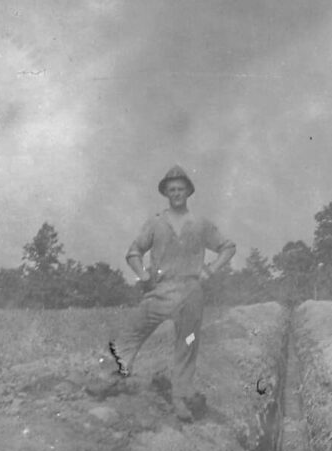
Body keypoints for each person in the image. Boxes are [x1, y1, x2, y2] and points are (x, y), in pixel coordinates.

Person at [95, 165, 236, 421]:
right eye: (172, 189)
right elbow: (133, 252)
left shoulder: (200, 224)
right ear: (166, 193)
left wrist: (211, 270)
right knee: (132, 331)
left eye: (181, 189)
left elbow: (228, 246)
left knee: (188, 344)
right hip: (161, 291)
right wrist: (143, 275)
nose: (176, 193)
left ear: (188, 192)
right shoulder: (156, 223)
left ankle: (180, 397)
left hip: (191, 293)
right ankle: (111, 378)